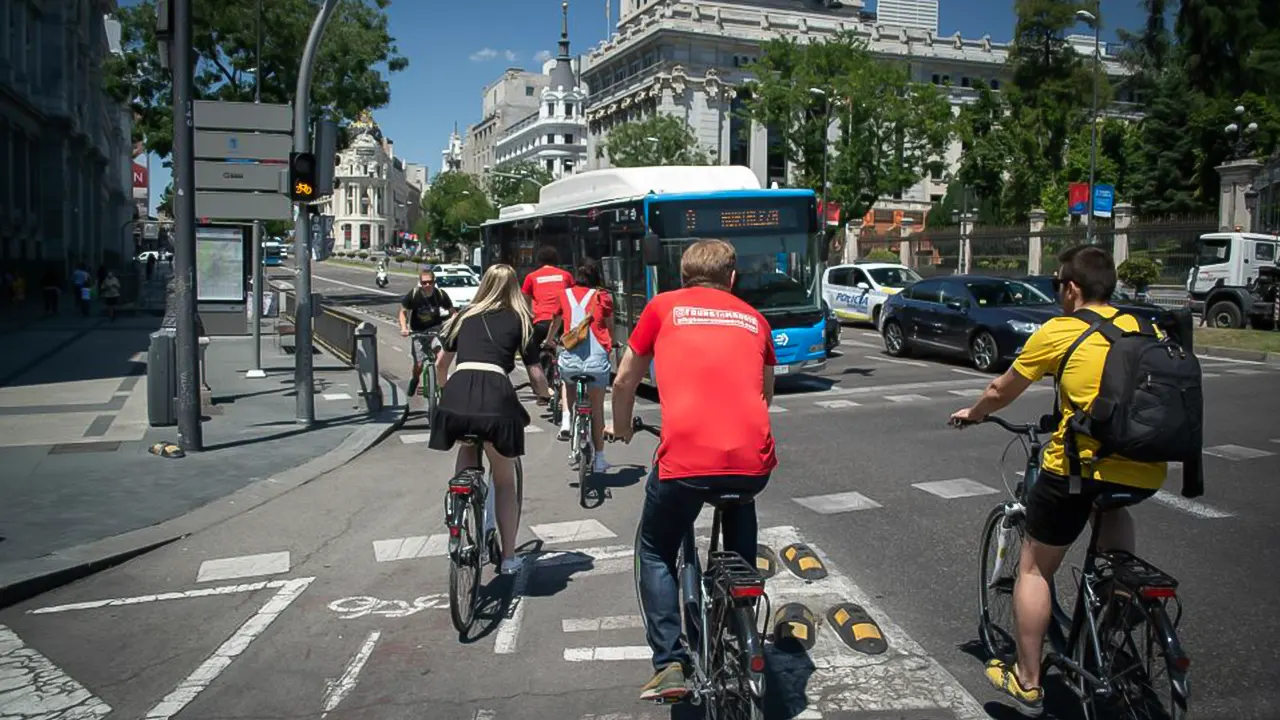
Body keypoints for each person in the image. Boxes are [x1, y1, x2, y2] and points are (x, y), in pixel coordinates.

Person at [949, 245, 1168, 717]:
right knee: (1109, 503)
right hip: (1146, 466)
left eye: (1056, 286)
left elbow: (1000, 388)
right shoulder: (1142, 326)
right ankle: (1119, 592)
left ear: (1071, 288)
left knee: (1033, 568)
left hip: (1076, 469)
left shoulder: (1061, 331)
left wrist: (974, 413)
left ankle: (1028, 680)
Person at [607, 239, 777, 701]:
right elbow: (766, 393)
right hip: (750, 460)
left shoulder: (663, 307)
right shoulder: (754, 318)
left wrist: (621, 428)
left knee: (654, 549)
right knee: (741, 495)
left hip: (685, 460)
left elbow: (625, 379)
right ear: (732, 279)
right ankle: (742, 592)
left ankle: (669, 665)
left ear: (681, 277)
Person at [429, 264, 536, 575]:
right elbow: (536, 373)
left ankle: (457, 509)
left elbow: (440, 364)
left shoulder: (463, 316)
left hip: (458, 394)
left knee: (467, 443)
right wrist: (545, 395)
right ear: (514, 288)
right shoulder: (521, 320)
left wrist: (447, 391)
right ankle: (509, 557)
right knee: (504, 481)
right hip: (495, 397)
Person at [551, 258, 614, 471]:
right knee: (596, 410)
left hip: (571, 361)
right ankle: (599, 459)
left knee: (566, 379)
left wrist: (549, 339)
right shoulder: (602, 297)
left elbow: (555, 321)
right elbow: (609, 323)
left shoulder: (564, 295)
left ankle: (567, 419)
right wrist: (612, 342)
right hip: (596, 362)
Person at [520, 246, 573, 403]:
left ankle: (541, 391)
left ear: (539, 261)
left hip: (542, 321)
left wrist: (529, 319)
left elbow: (524, 302)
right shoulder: (566, 275)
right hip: (563, 321)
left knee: (528, 350)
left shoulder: (531, 277)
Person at [399, 269, 455, 398]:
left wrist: (453, 325)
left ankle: (441, 387)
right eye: (424, 283)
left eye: (430, 282)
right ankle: (415, 379)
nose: (427, 285)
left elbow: (453, 312)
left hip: (435, 331)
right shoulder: (414, 294)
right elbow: (403, 312)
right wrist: (404, 327)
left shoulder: (440, 294)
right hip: (417, 333)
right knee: (418, 365)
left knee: (441, 356)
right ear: (420, 283)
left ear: (434, 282)